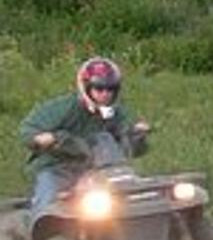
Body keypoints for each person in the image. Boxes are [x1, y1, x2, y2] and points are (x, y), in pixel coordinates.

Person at [19, 56, 151, 211]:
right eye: (99, 89)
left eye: (111, 89)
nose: (105, 94)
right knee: (49, 204)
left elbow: (132, 147)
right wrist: (41, 138)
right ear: (87, 88)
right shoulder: (64, 107)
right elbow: (28, 129)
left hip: (99, 171)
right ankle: (39, 227)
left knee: (139, 198)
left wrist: (137, 136)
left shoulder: (116, 113)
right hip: (58, 169)